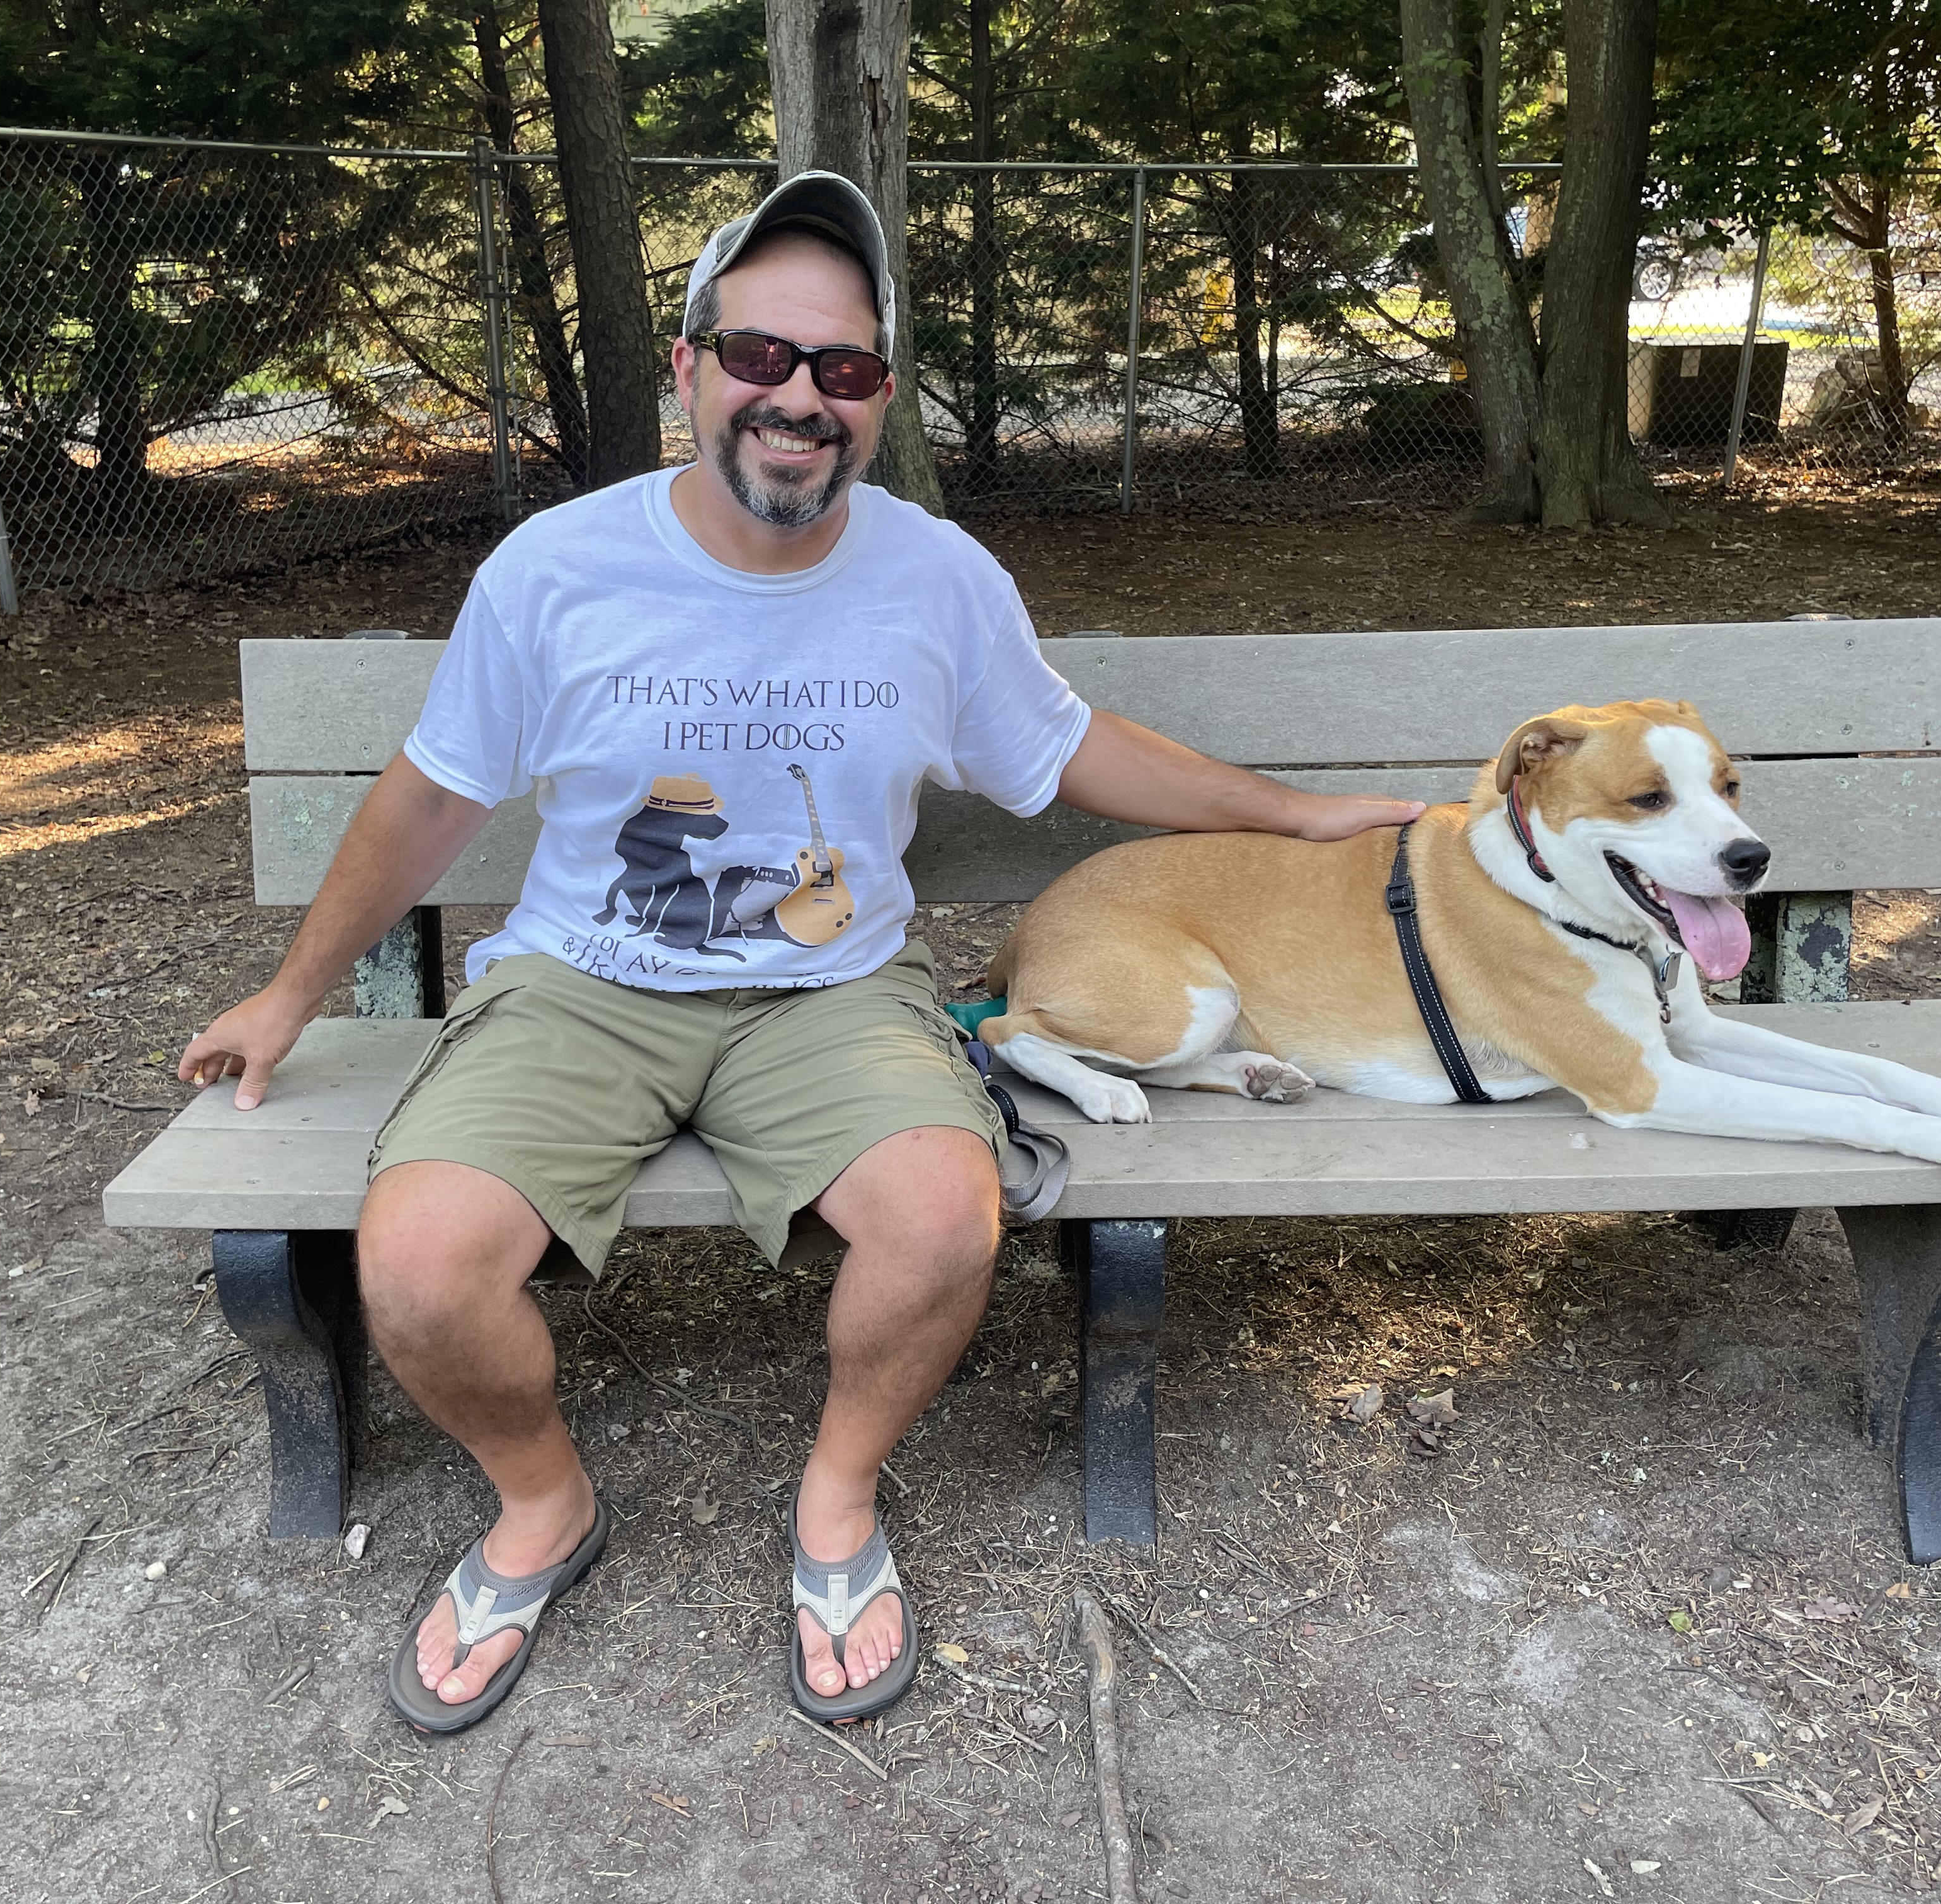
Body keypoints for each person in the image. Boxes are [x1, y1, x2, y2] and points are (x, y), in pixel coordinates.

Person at [178, 170, 1423, 1733]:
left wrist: (1298, 817)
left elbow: (1068, 749)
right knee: (418, 1273)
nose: (797, 399)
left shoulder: (938, 577)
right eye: (759, 355)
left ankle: (837, 1499)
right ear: (690, 368)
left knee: (945, 1222)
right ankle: (542, 1505)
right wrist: (293, 995)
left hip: (836, 990)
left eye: (840, 370)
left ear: (881, 399)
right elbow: (434, 795)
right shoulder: (559, 570)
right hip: (583, 983)